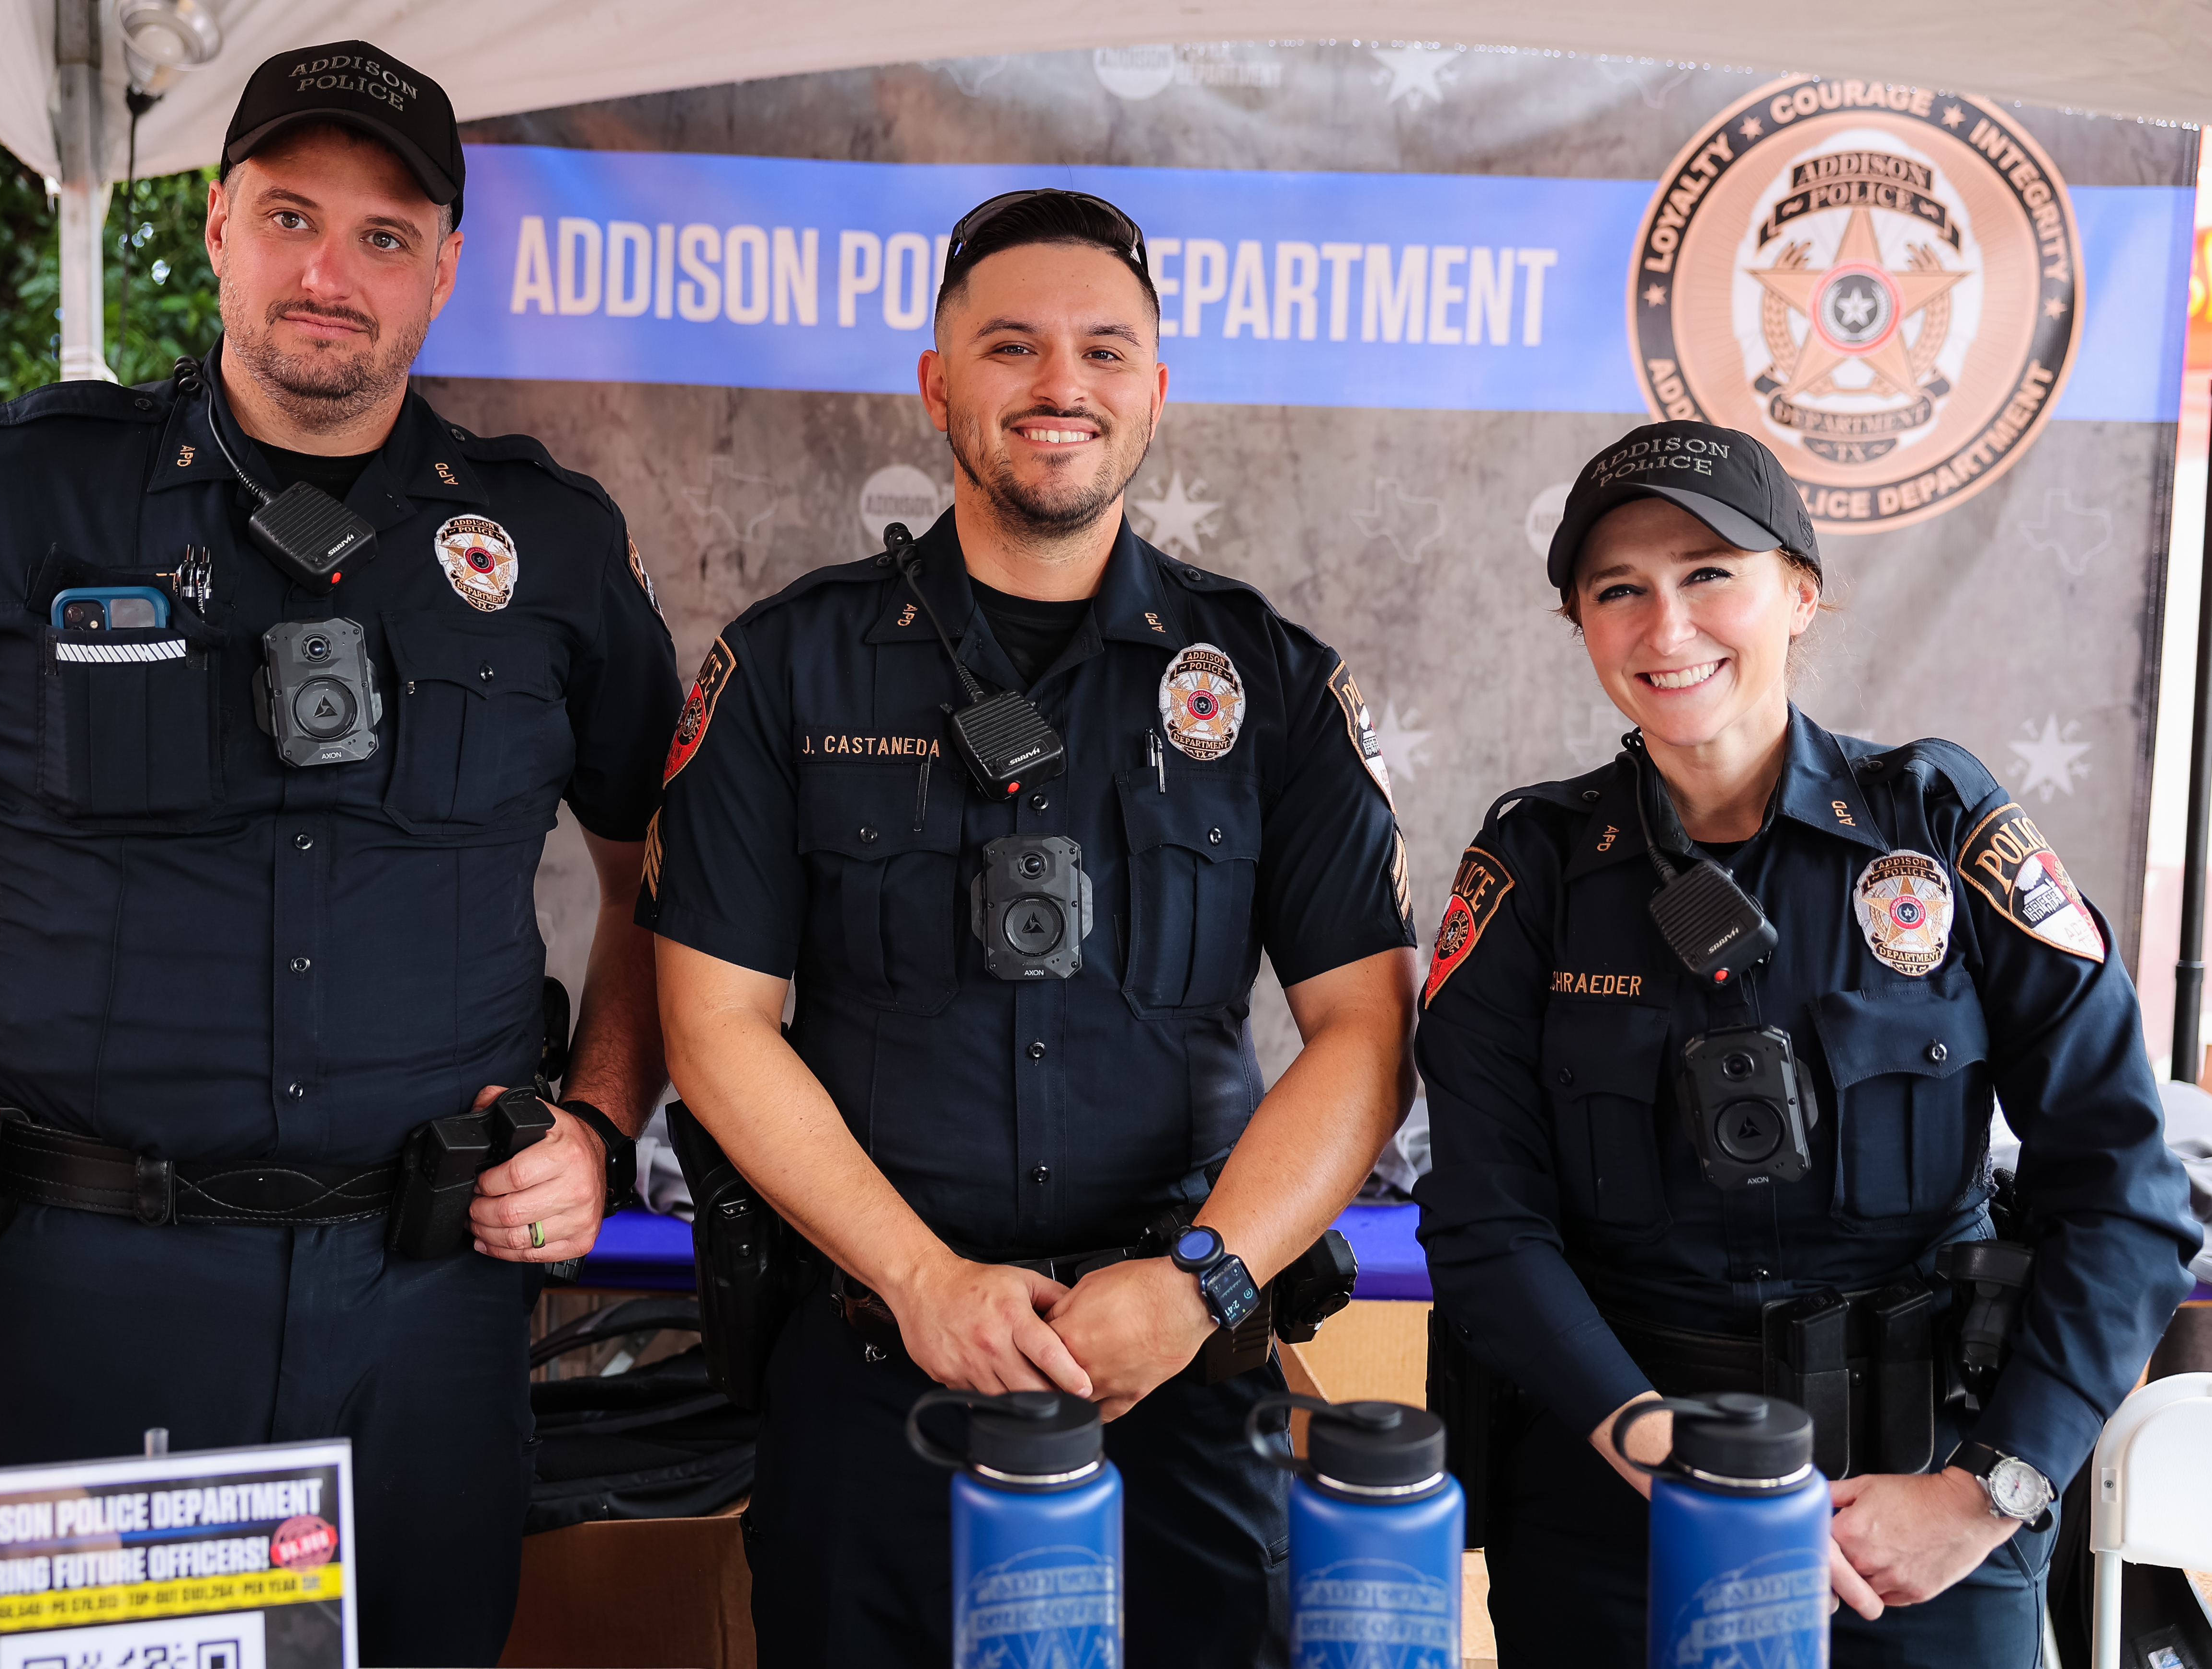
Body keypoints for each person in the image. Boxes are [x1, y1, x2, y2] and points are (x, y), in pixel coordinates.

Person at [0, 42, 679, 1665]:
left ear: (445, 268)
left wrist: (600, 1115)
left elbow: (661, 861)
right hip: (76, 1297)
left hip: (426, 1317)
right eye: (292, 214)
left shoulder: (548, 546)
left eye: (384, 235)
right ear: (217, 226)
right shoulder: (13, 496)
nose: (329, 270)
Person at [640, 188, 1422, 1667]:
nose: (1060, 385)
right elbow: (714, 1022)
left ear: (1153, 393)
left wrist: (1201, 1285)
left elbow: (1365, 1035)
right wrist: (918, 1280)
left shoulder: (1269, 684)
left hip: (1179, 1379)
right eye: (1010, 347)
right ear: (937, 384)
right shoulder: (786, 666)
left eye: (1103, 352)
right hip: (879, 1367)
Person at [1412, 421, 2203, 1666]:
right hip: (1618, 1498)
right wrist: (1654, 1449)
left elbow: (2127, 1189)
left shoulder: (1939, 832)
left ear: (1798, 592)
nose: (1665, 627)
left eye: (1708, 574)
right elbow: (1480, 1221)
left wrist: (1987, 1491)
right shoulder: (1532, 870)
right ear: (1580, 626)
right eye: (1618, 590)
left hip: (1924, 1504)